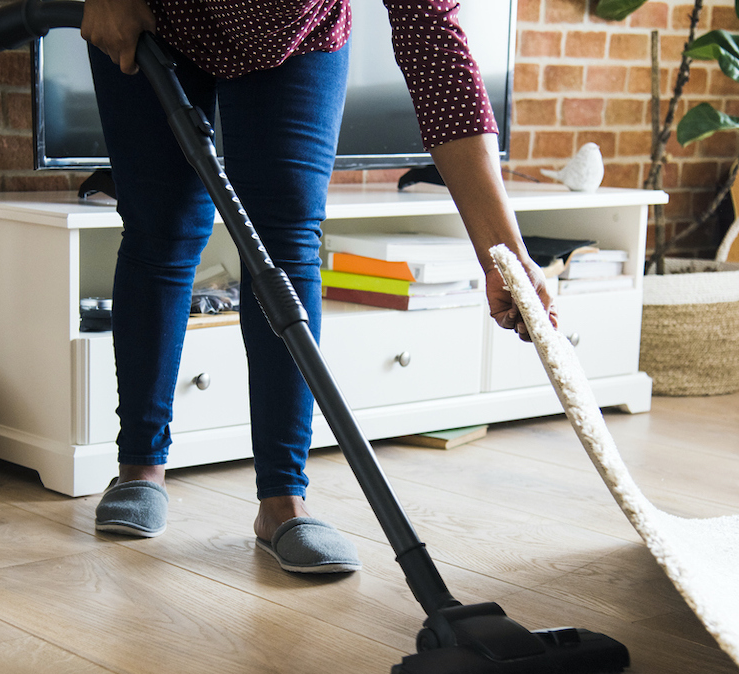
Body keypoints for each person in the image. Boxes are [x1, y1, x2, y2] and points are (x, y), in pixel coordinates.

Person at [84, 0, 557, 574]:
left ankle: (283, 501)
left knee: (284, 243)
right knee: (162, 228)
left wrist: (502, 255)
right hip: (158, 13)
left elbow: (439, 60)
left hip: (294, 35)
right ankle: (139, 467)